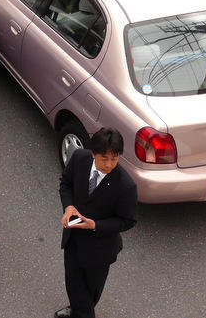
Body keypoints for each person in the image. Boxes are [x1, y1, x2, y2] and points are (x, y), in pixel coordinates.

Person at [55, 127, 138, 318]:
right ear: (93, 154)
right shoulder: (79, 159)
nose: (109, 164)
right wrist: (68, 207)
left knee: (91, 292)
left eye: (114, 158)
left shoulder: (126, 186)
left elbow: (128, 221)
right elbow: (65, 184)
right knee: (73, 283)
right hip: (73, 238)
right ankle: (78, 310)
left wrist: (96, 225)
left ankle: (79, 311)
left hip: (100, 250)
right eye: (104, 158)